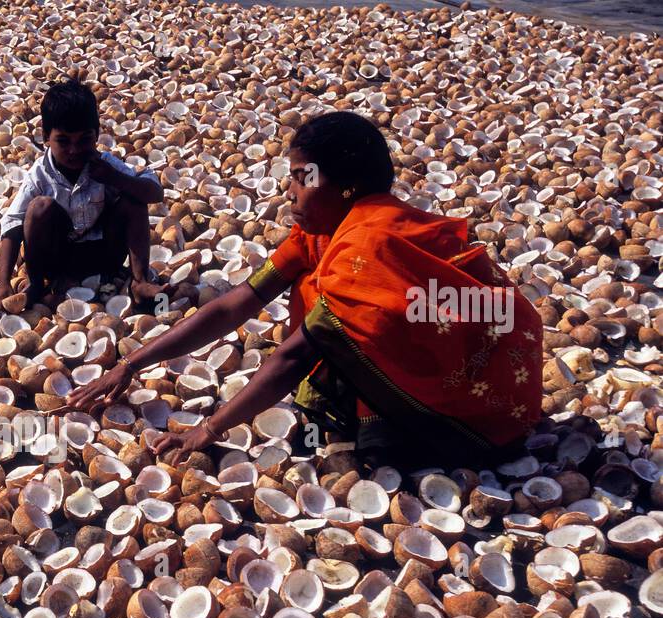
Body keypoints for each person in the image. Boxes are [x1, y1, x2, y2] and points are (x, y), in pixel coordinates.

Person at [66, 110, 542, 470]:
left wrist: (208, 430)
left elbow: (293, 358)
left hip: (480, 412)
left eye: (301, 179)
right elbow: (237, 304)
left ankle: (408, 423)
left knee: (334, 335)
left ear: (348, 187)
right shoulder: (322, 232)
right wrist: (131, 364)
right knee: (319, 300)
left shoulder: (366, 246)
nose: (288, 192)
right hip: (470, 365)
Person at [0, 79, 165, 310]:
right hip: (58, 261)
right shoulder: (40, 175)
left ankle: (140, 282)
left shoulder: (105, 166)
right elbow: (12, 224)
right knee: (39, 207)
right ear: (46, 138)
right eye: (63, 141)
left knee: (134, 196)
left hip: (104, 257)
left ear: (97, 135)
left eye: (84, 140)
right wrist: (3, 282)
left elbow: (155, 193)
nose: (74, 150)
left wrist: (116, 179)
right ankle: (37, 284)